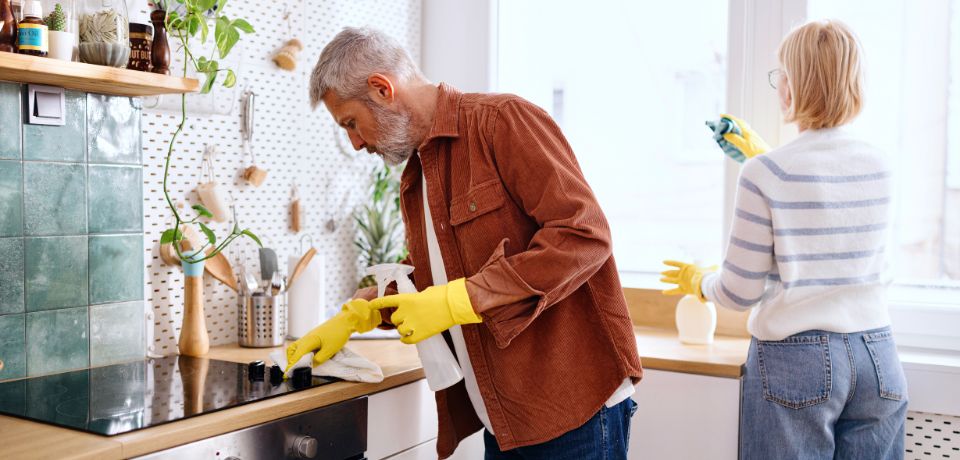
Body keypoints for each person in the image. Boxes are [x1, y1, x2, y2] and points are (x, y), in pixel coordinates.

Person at [286, 27, 642, 459]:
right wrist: (363, 310)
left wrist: (459, 301)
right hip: (505, 420)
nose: (356, 142)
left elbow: (584, 235)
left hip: (572, 413)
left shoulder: (503, 121)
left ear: (382, 89)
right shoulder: (417, 174)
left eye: (351, 123)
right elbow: (445, 267)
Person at [662, 20, 908, 459]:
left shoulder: (766, 173)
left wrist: (699, 282)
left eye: (781, 76)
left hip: (798, 362)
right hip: (879, 358)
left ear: (793, 87)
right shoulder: (882, 164)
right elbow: (833, 228)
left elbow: (739, 292)